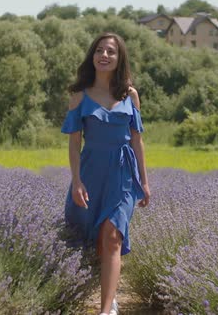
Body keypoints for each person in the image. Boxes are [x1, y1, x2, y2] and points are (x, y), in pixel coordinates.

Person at [60, 32, 150, 315]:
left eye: (111, 51)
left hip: (123, 172)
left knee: (113, 235)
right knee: (93, 237)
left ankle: (105, 310)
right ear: (93, 56)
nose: (104, 55)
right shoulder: (79, 94)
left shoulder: (129, 94)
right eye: (99, 50)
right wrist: (76, 180)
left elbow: (137, 140)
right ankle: (109, 296)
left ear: (119, 58)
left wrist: (145, 182)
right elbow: (74, 143)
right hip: (91, 171)